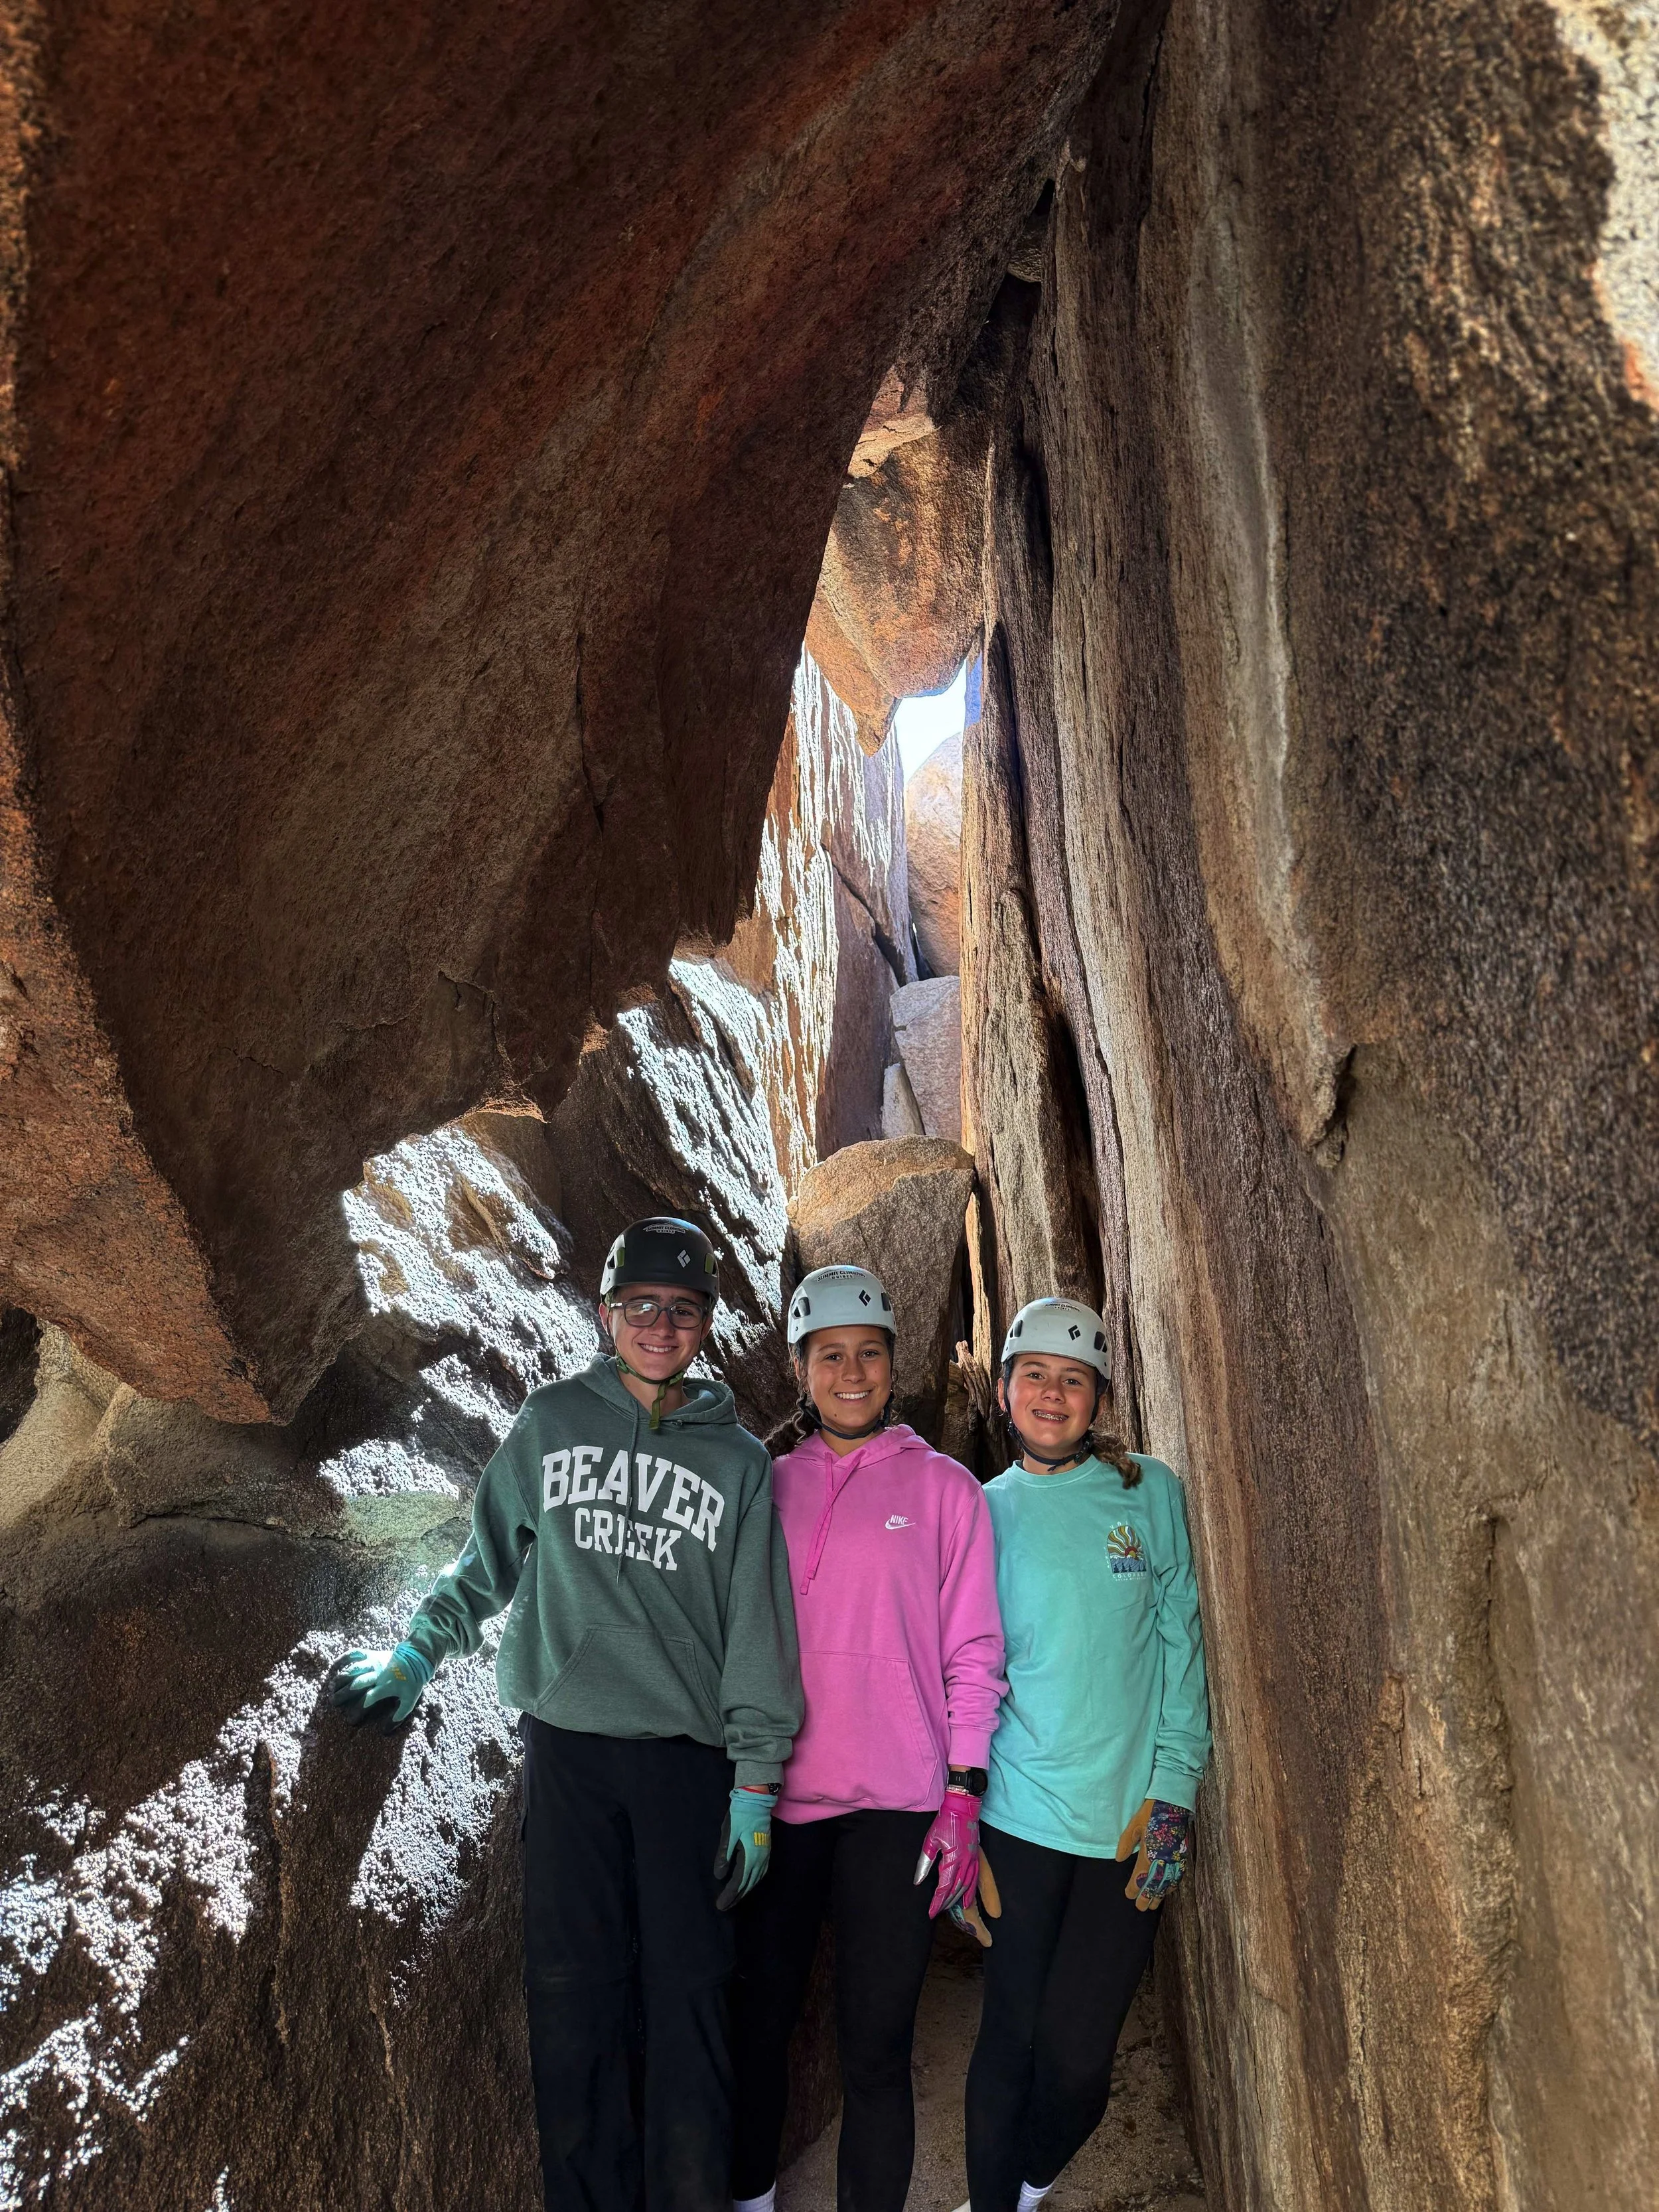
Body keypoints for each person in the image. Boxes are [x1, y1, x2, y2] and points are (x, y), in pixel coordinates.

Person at [331, 1216, 803, 2212]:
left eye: (681, 1310)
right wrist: (418, 1653)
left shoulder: (740, 1464)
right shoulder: (550, 1424)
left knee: (691, 2003)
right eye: (641, 1307)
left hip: (689, 1766)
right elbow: (483, 1562)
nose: (660, 1326)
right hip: (570, 1753)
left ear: (705, 1324)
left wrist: (757, 1781)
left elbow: (760, 1629)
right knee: (573, 2002)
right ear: (606, 1315)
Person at [730, 1265, 1005, 2212]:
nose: (853, 1373)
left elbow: (975, 1652)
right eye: (831, 1355)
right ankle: (751, 2199)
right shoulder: (766, 1488)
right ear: (802, 1368)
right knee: (756, 2025)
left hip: (898, 1810)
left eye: (870, 1354)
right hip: (779, 1804)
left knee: (878, 2047)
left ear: (895, 1363)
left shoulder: (946, 1491)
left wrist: (964, 1792)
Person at [963, 1297, 1210, 2212]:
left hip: (1127, 1829)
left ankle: (1028, 2185)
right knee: (1007, 2039)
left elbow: (1182, 1644)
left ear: (1099, 1398)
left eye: (1074, 1380)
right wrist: (955, 1814)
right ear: (1003, 1389)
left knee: (1077, 2060)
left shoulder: (1151, 1493)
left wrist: (1176, 1791)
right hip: (1016, 1822)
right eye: (1034, 1374)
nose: (1053, 1394)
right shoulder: (978, 1514)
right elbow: (962, 1675)